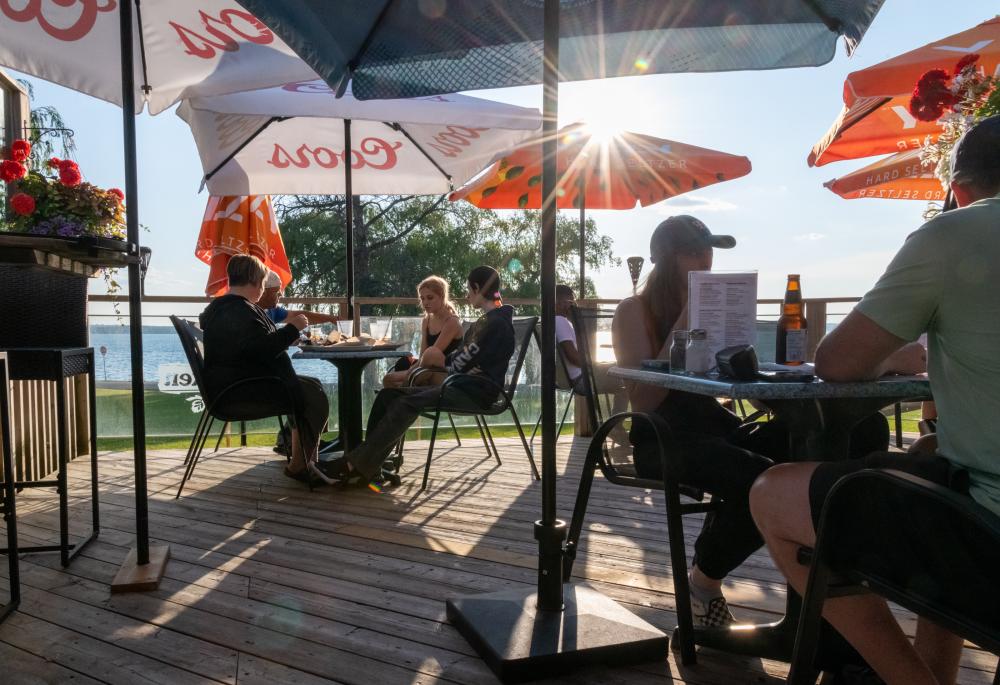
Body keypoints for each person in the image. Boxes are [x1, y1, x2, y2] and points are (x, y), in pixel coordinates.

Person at [750, 115, 1000, 685]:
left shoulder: (953, 234)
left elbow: (837, 362)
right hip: (975, 513)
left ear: (957, 189)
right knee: (939, 459)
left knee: (772, 494)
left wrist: (894, 353)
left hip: (992, 544)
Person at [613, 215, 888, 628]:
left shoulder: (716, 308)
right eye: (693, 252)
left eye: (709, 251)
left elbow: (740, 385)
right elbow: (645, 399)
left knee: (861, 430)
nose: (705, 260)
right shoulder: (633, 311)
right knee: (764, 481)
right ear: (666, 259)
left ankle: (839, 573)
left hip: (720, 425)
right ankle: (704, 580)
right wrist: (689, 316)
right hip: (662, 437)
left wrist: (787, 391)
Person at [320, 266, 515, 486]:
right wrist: (438, 366)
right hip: (460, 384)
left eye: (469, 289)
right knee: (389, 395)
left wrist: (437, 367)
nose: (467, 294)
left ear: (478, 288)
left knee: (405, 403)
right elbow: (461, 360)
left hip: (475, 391)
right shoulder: (488, 322)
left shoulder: (495, 324)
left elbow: (463, 364)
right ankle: (368, 464)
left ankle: (353, 466)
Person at [200, 255, 329, 485]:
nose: (262, 288)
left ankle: (306, 461)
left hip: (236, 383)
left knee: (313, 386)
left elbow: (249, 347)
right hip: (242, 391)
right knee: (313, 394)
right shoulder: (238, 312)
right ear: (254, 281)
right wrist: (292, 329)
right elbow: (262, 350)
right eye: (261, 281)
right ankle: (301, 465)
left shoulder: (228, 309)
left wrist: (283, 338)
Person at [555, 284, 628, 413]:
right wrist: (594, 365)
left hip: (571, 378)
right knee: (627, 378)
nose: (574, 306)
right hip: (582, 380)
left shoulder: (553, 321)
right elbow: (574, 357)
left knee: (618, 370)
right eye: (571, 302)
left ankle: (611, 424)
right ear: (560, 303)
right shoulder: (560, 321)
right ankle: (616, 426)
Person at [383, 275, 463, 388]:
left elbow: (431, 356)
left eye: (430, 297)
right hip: (425, 370)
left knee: (432, 353)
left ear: (442, 296)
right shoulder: (427, 319)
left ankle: (407, 387)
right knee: (388, 379)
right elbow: (423, 355)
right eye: (422, 298)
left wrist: (412, 370)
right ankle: (409, 387)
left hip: (446, 374)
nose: (425, 302)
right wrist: (413, 368)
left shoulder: (452, 322)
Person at [259, 270, 339, 327]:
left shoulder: (272, 310)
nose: (281, 295)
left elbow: (296, 315)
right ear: (262, 293)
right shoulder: (251, 316)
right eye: (276, 291)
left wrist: (331, 318)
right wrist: (291, 332)